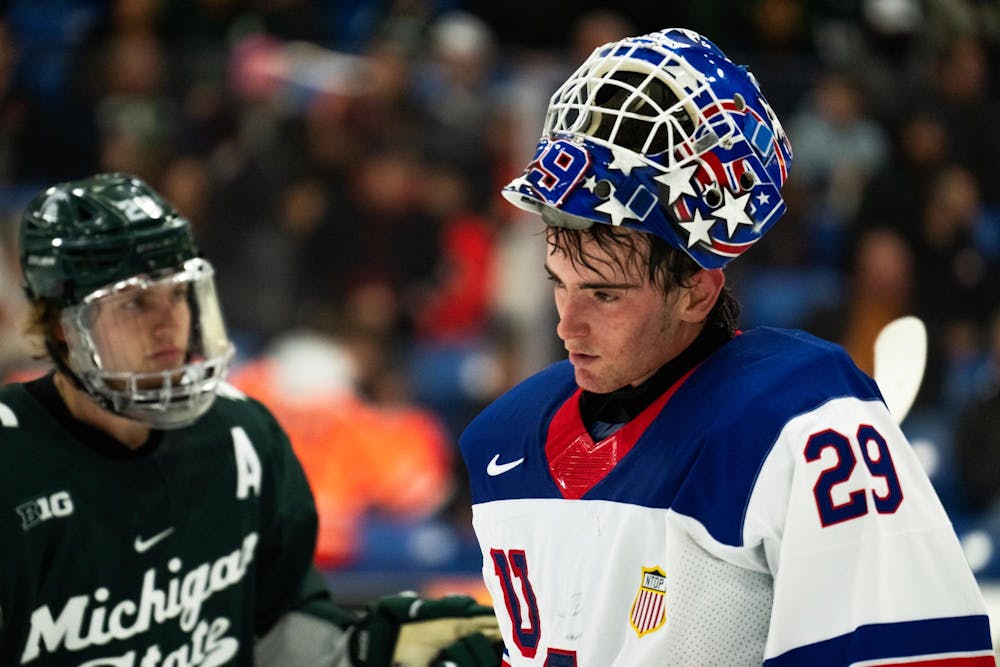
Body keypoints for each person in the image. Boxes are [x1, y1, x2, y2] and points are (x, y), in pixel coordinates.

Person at [459, 29, 995, 665]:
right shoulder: (503, 441)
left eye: (604, 295)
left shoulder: (806, 421)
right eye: (560, 285)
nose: (566, 327)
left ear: (695, 289)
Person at [0, 173, 503, 666]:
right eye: (134, 304)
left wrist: (362, 649)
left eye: (178, 294)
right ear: (64, 328)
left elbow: (278, 623)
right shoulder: (12, 465)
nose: (168, 324)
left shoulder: (241, 432)